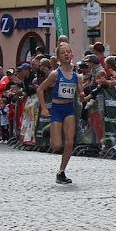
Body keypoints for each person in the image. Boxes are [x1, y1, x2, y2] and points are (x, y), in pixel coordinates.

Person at [37, 42, 82, 184]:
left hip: (69, 109)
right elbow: (40, 89)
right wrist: (44, 108)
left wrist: (83, 96)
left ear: (72, 55)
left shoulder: (77, 77)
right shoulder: (55, 74)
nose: (66, 54)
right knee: (56, 145)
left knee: (69, 143)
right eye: (63, 52)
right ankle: (50, 131)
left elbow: (81, 94)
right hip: (56, 110)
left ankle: (61, 172)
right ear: (58, 58)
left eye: (68, 52)